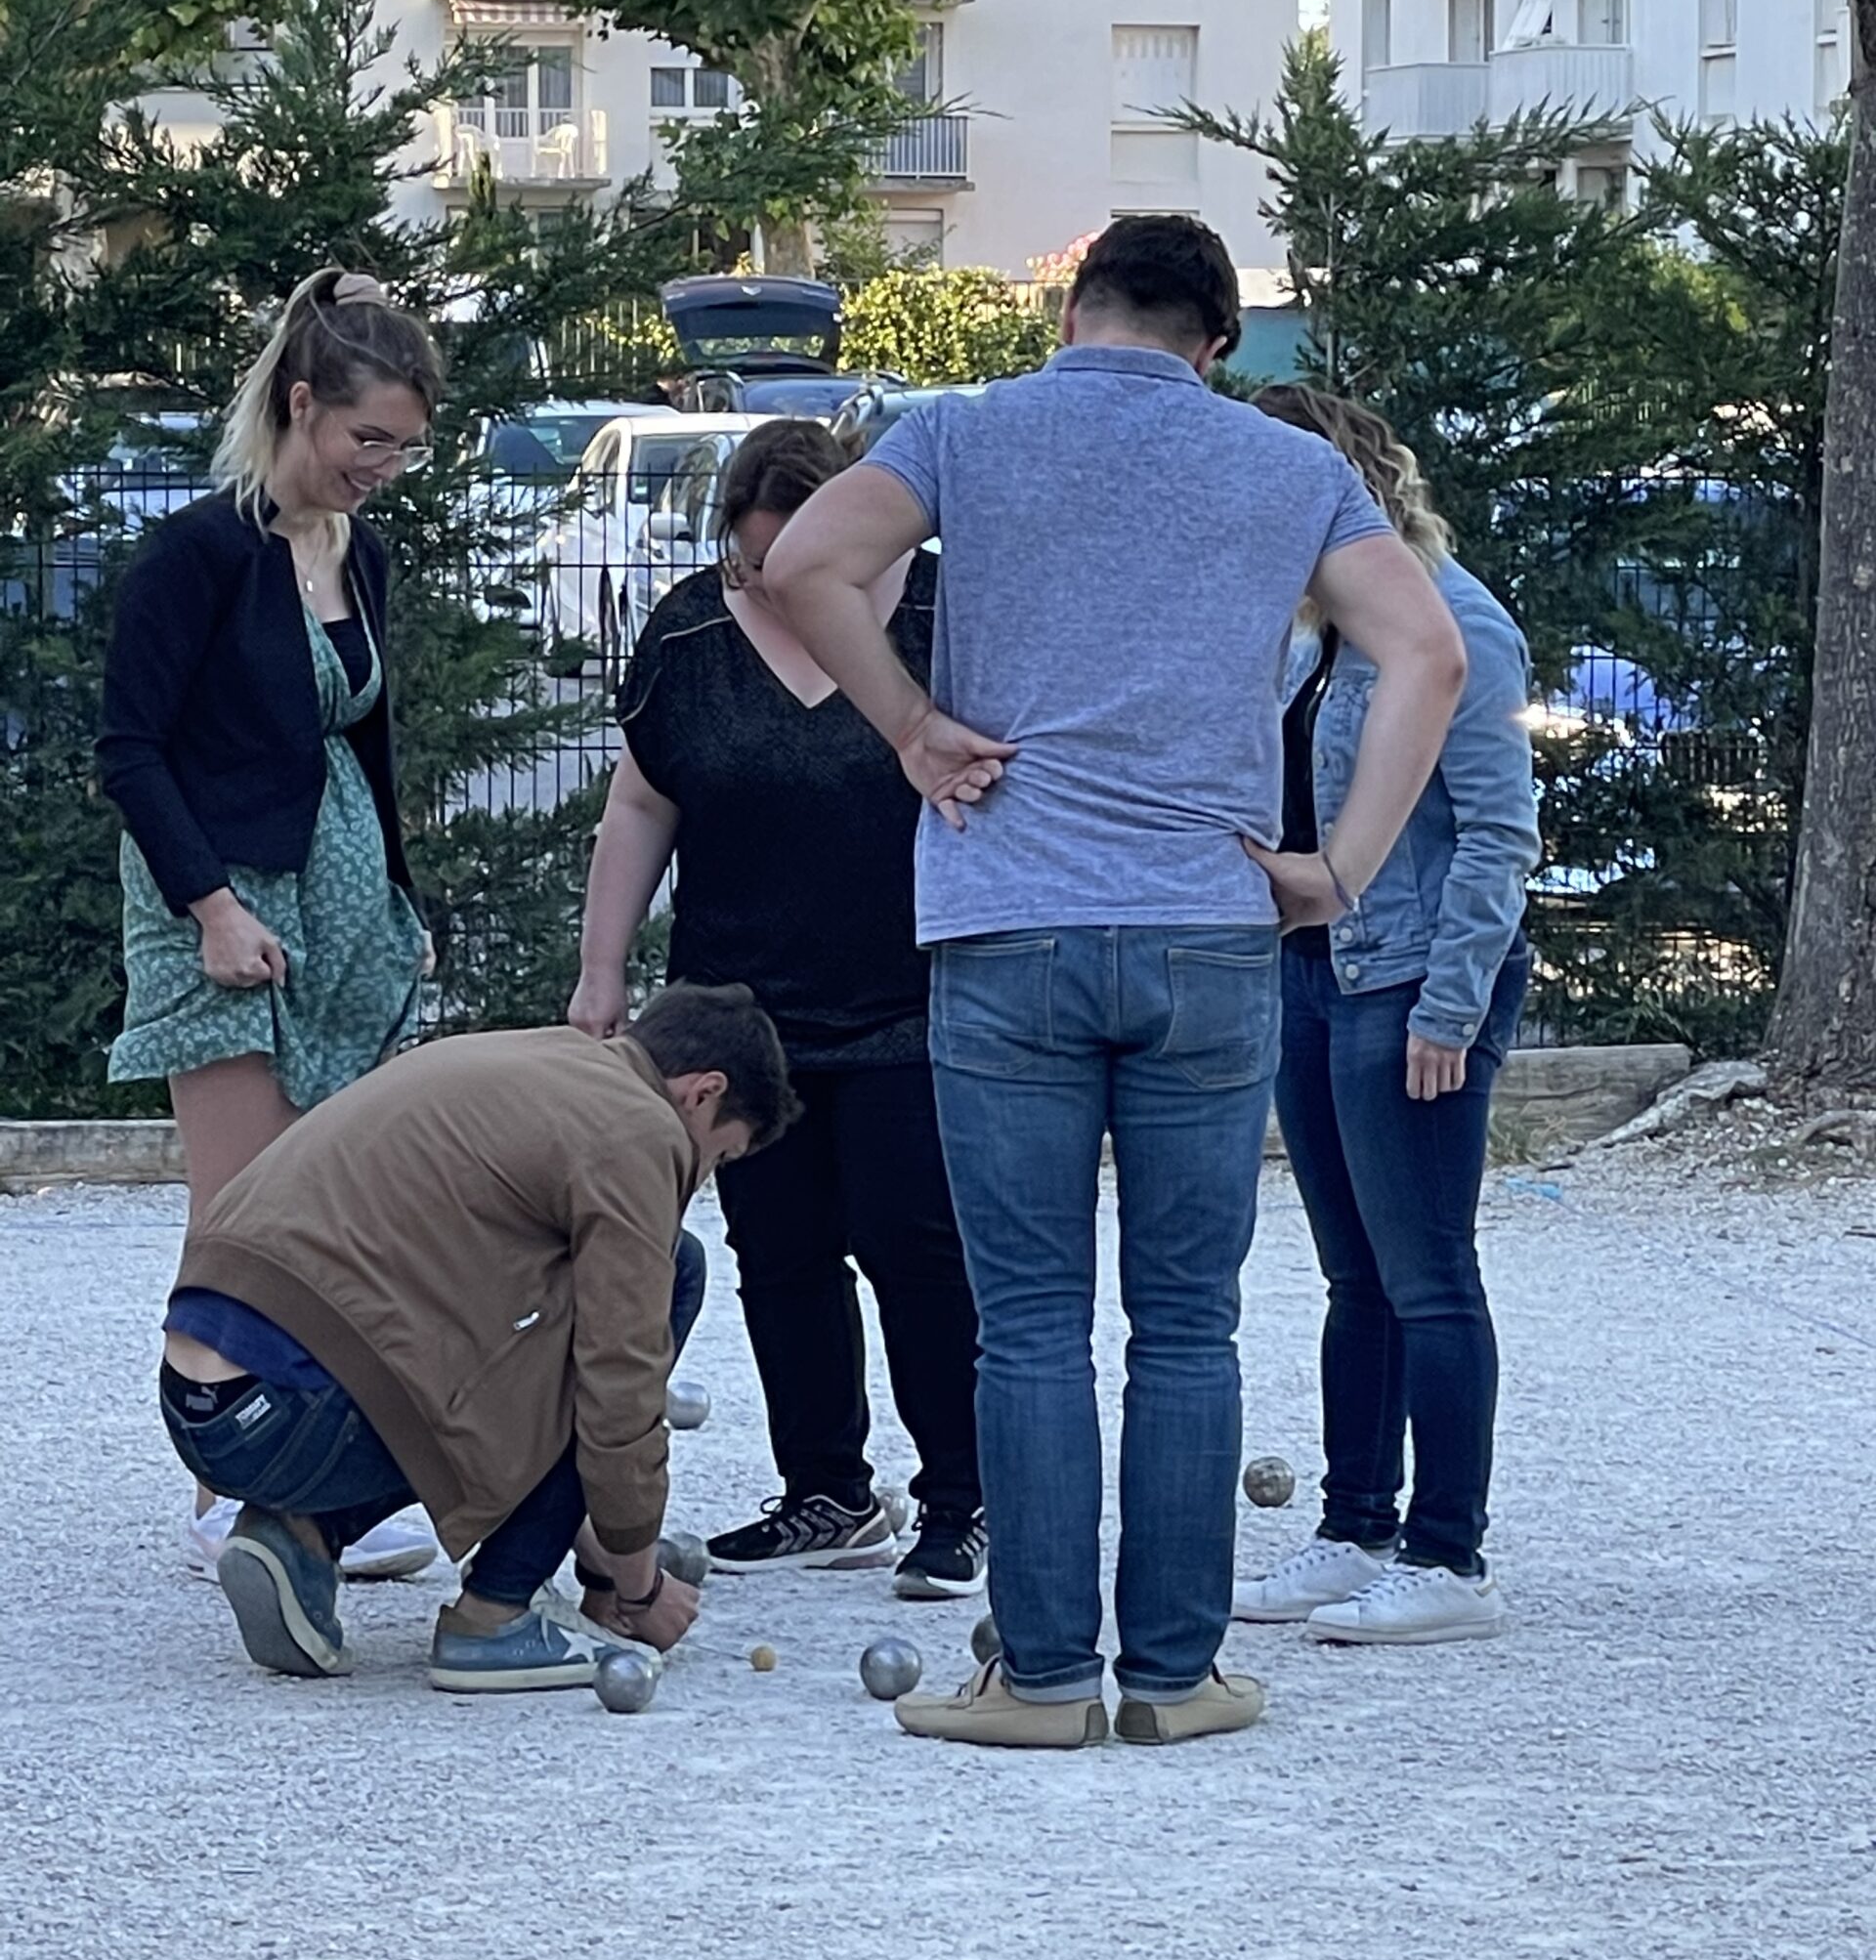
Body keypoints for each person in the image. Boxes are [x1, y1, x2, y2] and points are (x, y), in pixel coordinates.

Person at [763, 216, 1469, 1750]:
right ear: (1216, 343)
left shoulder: (962, 429)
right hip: (1208, 926)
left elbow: (809, 562)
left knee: (1024, 1322)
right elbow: (1428, 655)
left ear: (1068, 307)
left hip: (1005, 919)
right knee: (1187, 1323)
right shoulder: (1289, 469)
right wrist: (1336, 868)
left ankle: (1036, 1675)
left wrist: (910, 728)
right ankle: (1173, 1676)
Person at [571, 419, 986, 1598]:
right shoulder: (693, 633)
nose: (773, 583)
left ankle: (962, 1495)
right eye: (754, 562)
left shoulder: (941, 619)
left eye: (796, 558)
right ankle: (827, 1490)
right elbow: (641, 805)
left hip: (912, 993)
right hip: (742, 1010)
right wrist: (603, 972)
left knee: (917, 1245)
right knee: (780, 1253)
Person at [98, 268, 443, 1585]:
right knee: (246, 1213)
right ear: (302, 404)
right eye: (370, 440)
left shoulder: (369, 554)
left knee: (340, 1206)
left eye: (405, 447)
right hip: (219, 905)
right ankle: (225, 1480)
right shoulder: (195, 553)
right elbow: (131, 754)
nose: (386, 467)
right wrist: (216, 910)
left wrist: (402, 905)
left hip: (345, 908)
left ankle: (323, 1477)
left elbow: (373, 741)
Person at [157, 984, 797, 1690]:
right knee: (675, 1271)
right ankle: (495, 1614)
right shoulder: (638, 1129)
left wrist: (593, 1538)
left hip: (206, 1401)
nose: (703, 1178)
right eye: (722, 1158)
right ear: (703, 1093)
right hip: (293, 1413)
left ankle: (300, 1537)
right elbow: (619, 1388)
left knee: (522, 1323)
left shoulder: (540, 1061)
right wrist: (636, 1582)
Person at [1233, 387, 1539, 1644]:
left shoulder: (1455, 623)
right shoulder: (1314, 639)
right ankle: (1355, 1523)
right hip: (1318, 969)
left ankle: (1449, 1552)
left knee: (1428, 1273)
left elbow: (1498, 835)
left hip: (1411, 974)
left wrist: (1452, 1008)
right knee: (1352, 1274)